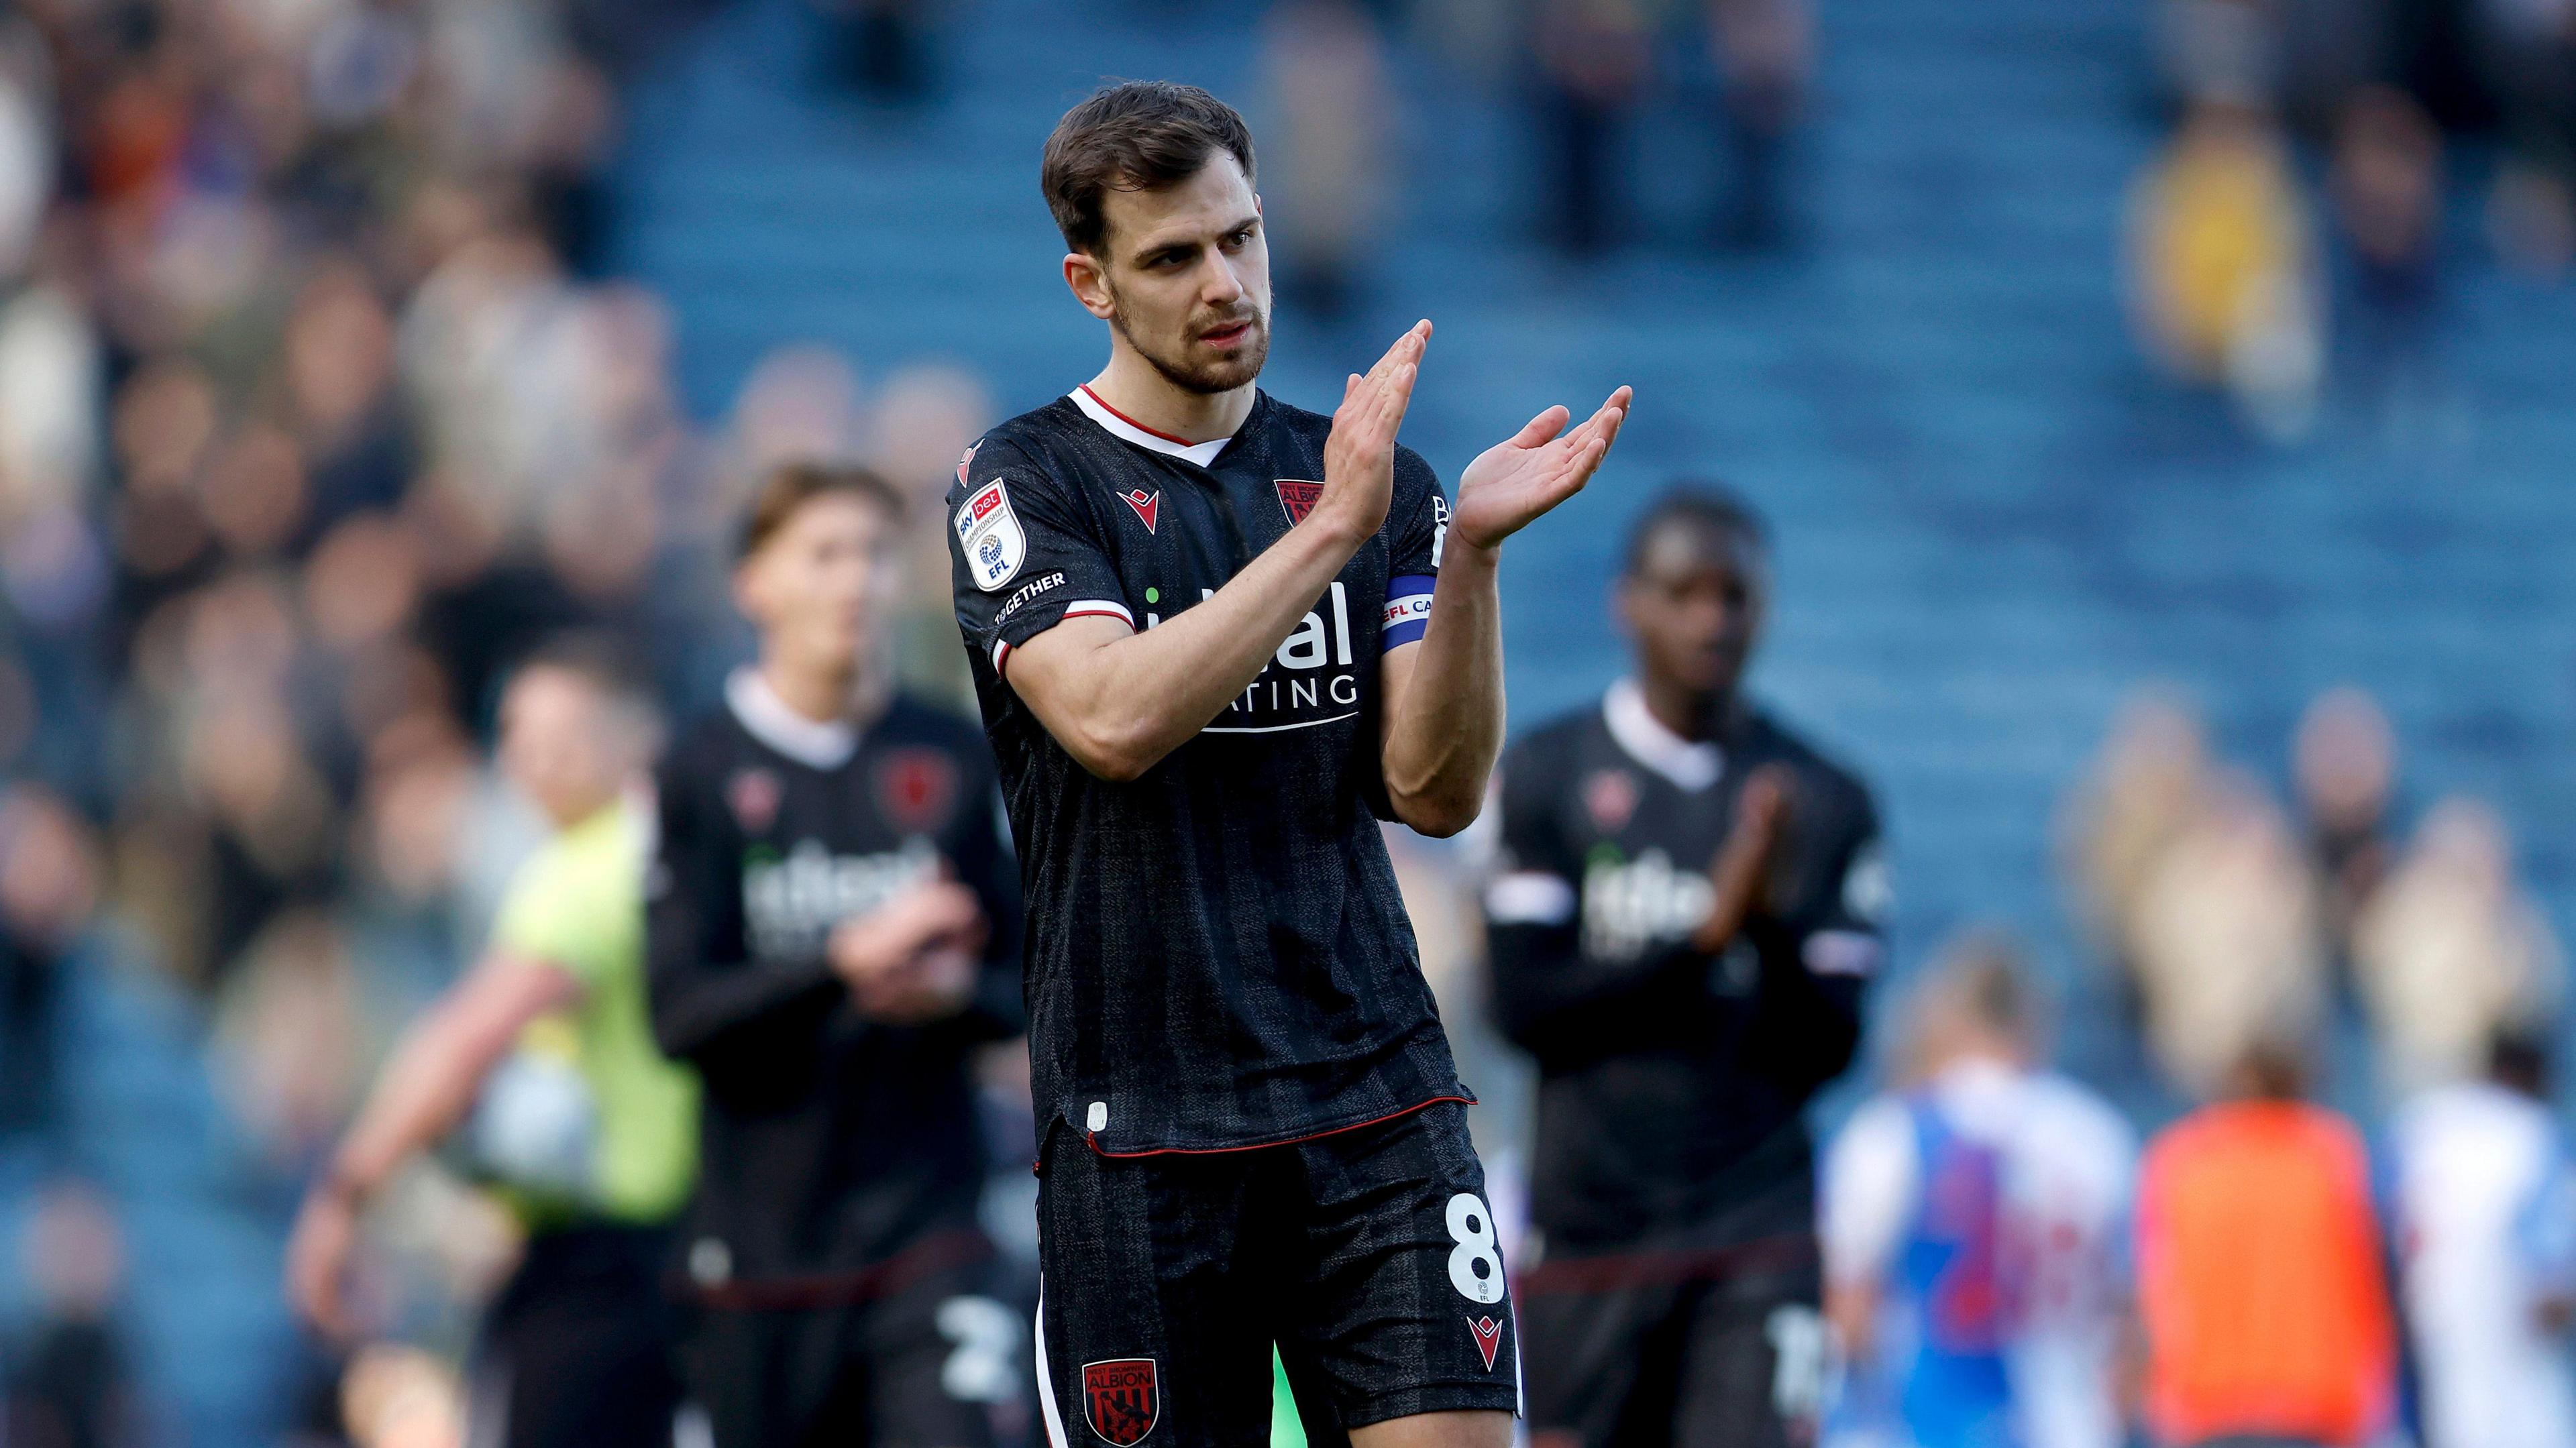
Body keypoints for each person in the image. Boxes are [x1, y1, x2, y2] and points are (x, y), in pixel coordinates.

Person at [947, 81, 1628, 1448]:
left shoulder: (1374, 480)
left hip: (1376, 1095)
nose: (1223, 282)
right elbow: (1112, 719)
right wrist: (1327, 539)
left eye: (1240, 238)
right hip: (1140, 1126)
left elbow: (1434, 791)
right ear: (1091, 282)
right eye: (1172, 256)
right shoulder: (1028, 480)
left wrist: (1470, 557)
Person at [1481, 485, 1883, 1448]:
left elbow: (1831, 1046)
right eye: (1684, 592)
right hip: (1590, 1233)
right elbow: (1524, 1007)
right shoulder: (1548, 772)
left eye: (1733, 595)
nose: (1711, 619)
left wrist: (1768, 924)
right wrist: (1705, 937)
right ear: (1629, 602)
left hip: (1755, 1236)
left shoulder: (1824, 798)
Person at [649, 461, 1027, 1448]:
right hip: (761, 1253)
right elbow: (679, 1017)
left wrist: (953, 990)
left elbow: (1024, 986)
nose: (854, 579)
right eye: (823, 554)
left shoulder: (951, 751)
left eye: (873, 553)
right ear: (755, 584)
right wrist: (844, 961)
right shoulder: (700, 767)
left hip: (930, 1227)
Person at [285, 636, 698, 1448]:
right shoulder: (669, 855)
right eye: (517, 735)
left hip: (600, 1271)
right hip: (683, 1250)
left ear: (631, 737)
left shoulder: (588, 872)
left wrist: (344, 1192)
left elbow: (460, 1041)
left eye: (562, 736)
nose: (532, 761)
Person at [1819, 934, 2137, 1448]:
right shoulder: (2097, 1135)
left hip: (1924, 1430)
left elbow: (1849, 1312)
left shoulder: (1892, 1135)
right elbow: (2129, 1327)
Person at [2133, 1040, 2396, 1448]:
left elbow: (2157, 1286)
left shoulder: (2180, 1158)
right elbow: (2367, 1283)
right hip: (2316, 1399)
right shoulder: (2331, 1154)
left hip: (2208, 1399)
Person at [2387, 1027, 2576, 1448]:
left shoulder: (2421, 1124)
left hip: (2429, 1342)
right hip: (2516, 1358)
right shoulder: (2532, 1132)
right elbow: (2552, 1288)